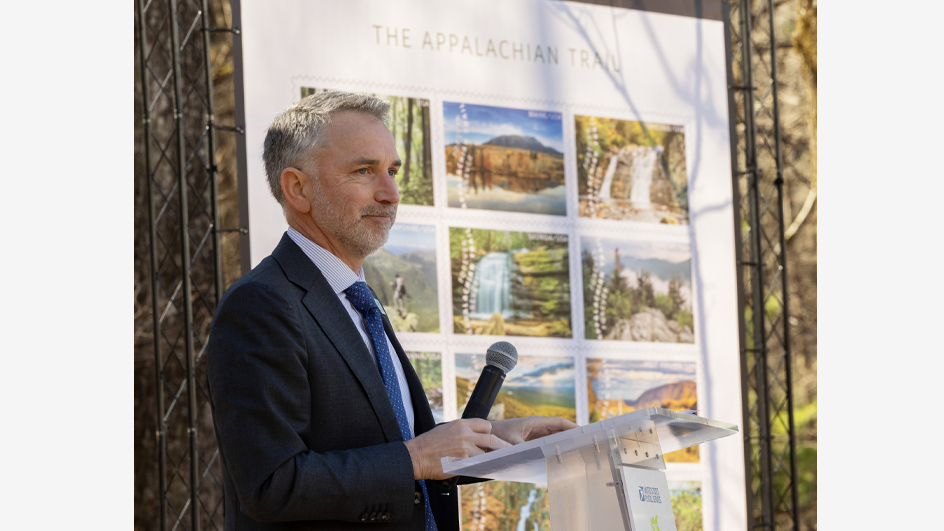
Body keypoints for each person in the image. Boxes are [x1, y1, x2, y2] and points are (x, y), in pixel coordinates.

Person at [206, 91, 575, 531]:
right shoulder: (261, 305)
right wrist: (416, 458)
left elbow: (395, 450)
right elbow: (272, 484)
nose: (391, 193)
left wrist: (498, 441)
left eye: (393, 171)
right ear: (298, 188)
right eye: (364, 171)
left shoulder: (358, 299)